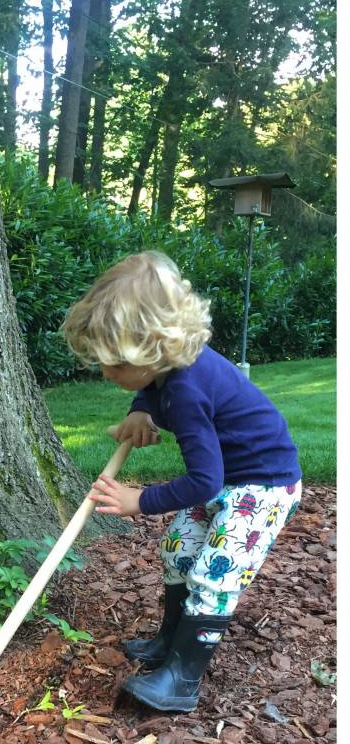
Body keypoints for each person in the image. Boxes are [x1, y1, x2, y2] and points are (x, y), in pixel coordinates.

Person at [61, 251, 301, 712]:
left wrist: (140, 499)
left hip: (263, 487)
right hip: (229, 478)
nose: (106, 373)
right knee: (177, 550)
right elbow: (149, 386)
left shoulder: (187, 393)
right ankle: (169, 642)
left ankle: (181, 679)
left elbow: (204, 481)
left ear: (153, 351)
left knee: (215, 572)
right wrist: (139, 410)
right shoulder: (169, 368)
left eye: (116, 364)